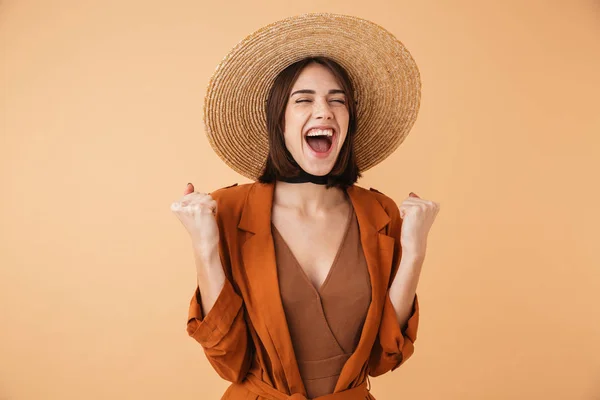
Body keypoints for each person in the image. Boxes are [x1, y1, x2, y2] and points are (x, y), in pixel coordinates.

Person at [171, 13, 440, 400]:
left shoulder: (380, 214)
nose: (324, 111)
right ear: (278, 120)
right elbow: (229, 361)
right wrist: (204, 248)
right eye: (304, 100)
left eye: (337, 100)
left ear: (349, 119)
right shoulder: (225, 210)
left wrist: (414, 253)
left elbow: (383, 359)